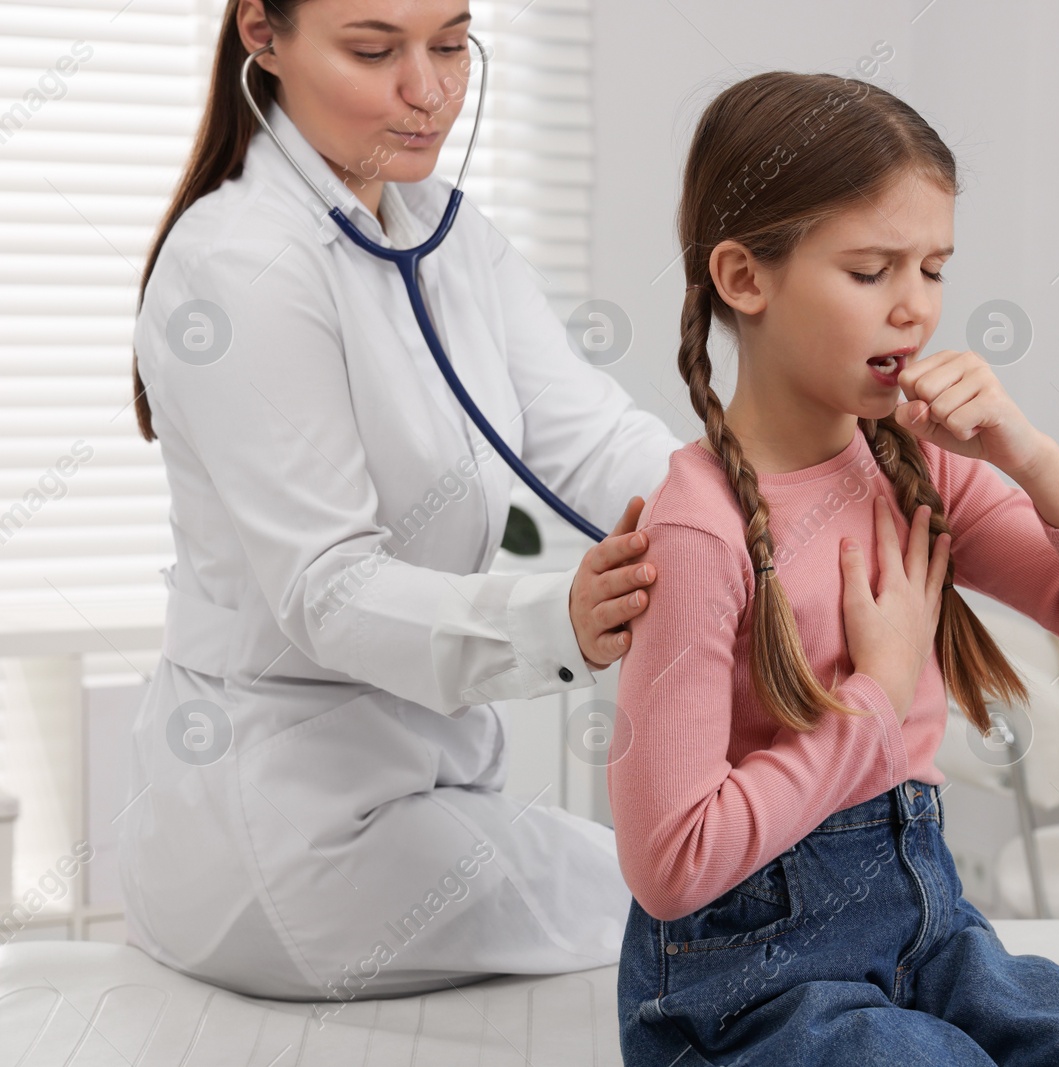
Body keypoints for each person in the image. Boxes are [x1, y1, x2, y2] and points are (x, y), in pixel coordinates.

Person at [606, 72, 1059, 1065]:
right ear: (746, 278)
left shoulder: (922, 467)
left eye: (934, 268)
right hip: (742, 988)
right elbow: (672, 861)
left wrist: (1030, 454)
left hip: (931, 940)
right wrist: (873, 694)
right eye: (871, 271)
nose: (914, 309)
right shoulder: (697, 529)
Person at [118, 0, 679, 1000]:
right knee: (703, 908)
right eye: (375, 50)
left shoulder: (451, 240)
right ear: (263, 34)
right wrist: (563, 617)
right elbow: (328, 587)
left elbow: (592, 436)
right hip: (289, 832)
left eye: (453, 45)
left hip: (423, 791)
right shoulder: (238, 266)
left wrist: (754, 518)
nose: (428, 91)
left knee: (707, 899)